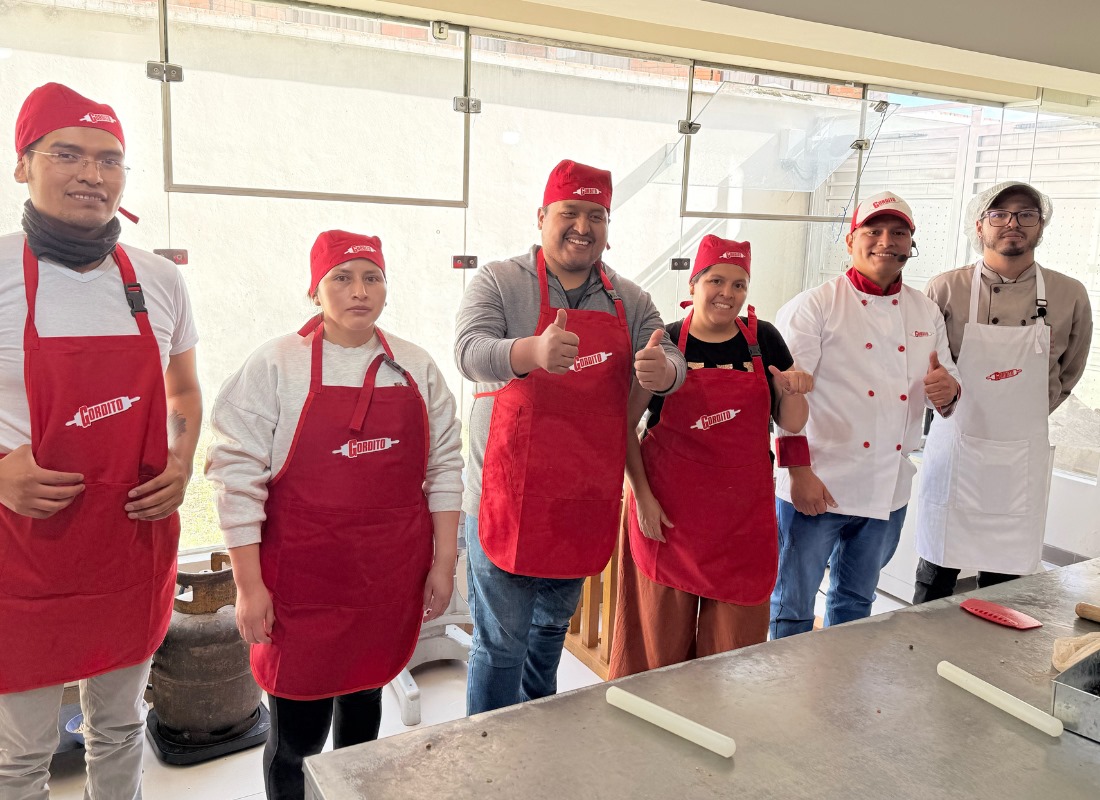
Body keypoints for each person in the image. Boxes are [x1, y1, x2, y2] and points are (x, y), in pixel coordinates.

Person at [206, 230, 463, 800]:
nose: (358, 291)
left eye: (372, 277)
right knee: (296, 739)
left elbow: (445, 468)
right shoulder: (276, 364)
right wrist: (248, 587)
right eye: (341, 278)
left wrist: (444, 563)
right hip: (302, 586)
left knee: (364, 720)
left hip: (385, 580)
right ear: (314, 290)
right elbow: (235, 477)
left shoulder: (415, 367)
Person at [0, 83, 202, 799]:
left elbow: (181, 392)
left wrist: (180, 462)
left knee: (118, 729)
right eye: (69, 153)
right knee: (20, 756)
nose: (92, 173)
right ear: (23, 164)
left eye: (110, 159)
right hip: (23, 557)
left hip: (129, 546)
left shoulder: (156, 277)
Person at [454, 159, 686, 715]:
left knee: (548, 635)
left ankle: (542, 747)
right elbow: (468, 351)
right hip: (506, 495)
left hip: (582, 497)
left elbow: (671, 354)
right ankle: (490, 756)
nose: (583, 226)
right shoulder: (500, 281)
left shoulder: (628, 298)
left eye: (596, 215)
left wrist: (665, 374)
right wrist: (528, 352)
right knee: (501, 644)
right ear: (542, 217)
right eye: (570, 212)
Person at [608, 235, 812, 678]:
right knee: (656, 660)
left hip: (742, 526)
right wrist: (642, 498)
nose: (728, 293)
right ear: (695, 283)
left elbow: (791, 423)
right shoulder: (667, 342)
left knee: (733, 660)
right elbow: (624, 427)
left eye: (739, 284)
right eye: (717, 280)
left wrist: (793, 391)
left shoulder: (765, 341)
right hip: (668, 521)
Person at [770, 191, 960, 638]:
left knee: (856, 600)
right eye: (873, 231)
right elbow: (784, 399)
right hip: (817, 478)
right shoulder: (814, 305)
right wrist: (797, 471)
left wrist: (947, 389)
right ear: (851, 240)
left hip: (887, 487)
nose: (884, 241)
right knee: (793, 603)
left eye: (898, 233)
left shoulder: (923, 309)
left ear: (910, 244)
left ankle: (842, 693)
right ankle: (782, 699)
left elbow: (947, 386)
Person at [913, 181, 1093, 602]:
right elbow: (927, 365)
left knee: (1006, 583)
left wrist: (1023, 410)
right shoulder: (946, 289)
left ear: (1040, 225)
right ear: (980, 225)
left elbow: (1069, 373)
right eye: (1000, 214)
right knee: (935, 573)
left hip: (1020, 456)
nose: (1013, 223)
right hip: (957, 447)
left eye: (1026, 214)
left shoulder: (1069, 295)